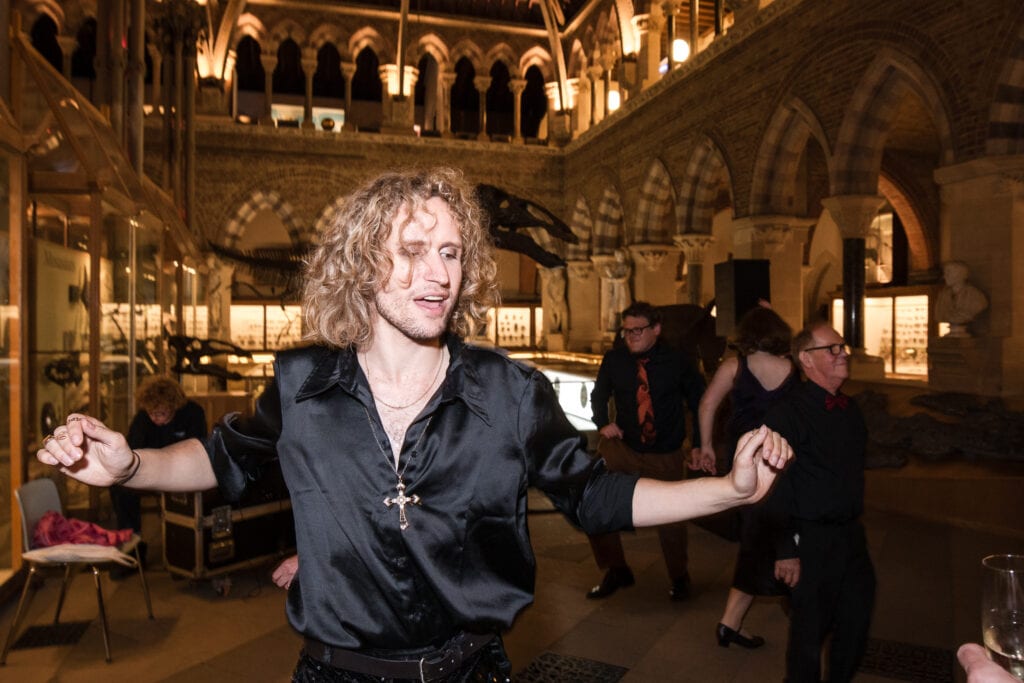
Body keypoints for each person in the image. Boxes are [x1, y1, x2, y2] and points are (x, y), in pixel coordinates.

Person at [37, 167, 793, 682]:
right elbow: (220, 460)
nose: (438, 273)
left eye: (452, 252)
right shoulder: (303, 383)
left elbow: (597, 494)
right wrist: (131, 465)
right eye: (410, 251)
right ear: (364, 263)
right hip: (335, 671)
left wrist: (728, 488)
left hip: (472, 667)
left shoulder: (507, 391)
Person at [764, 322, 876, 683]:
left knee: (855, 624)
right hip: (808, 540)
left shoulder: (850, 409)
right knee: (808, 638)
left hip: (850, 537)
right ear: (805, 360)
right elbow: (774, 486)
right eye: (832, 348)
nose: (843, 353)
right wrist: (785, 549)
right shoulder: (786, 414)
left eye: (842, 347)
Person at [585, 300, 706, 601]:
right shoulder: (615, 360)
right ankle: (616, 569)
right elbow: (599, 396)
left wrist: (701, 444)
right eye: (626, 331)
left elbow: (699, 401)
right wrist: (603, 423)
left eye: (638, 330)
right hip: (624, 448)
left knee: (671, 520)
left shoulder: (677, 360)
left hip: (664, 453)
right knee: (594, 501)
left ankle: (679, 577)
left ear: (656, 329)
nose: (631, 337)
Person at [694, 306, 797, 649]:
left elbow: (707, 404)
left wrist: (706, 446)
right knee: (775, 539)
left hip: (744, 463)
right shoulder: (793, 370)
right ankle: (800, 612)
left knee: (759, 539)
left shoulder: (734, 366)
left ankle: (731, 623)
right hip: (782, 464)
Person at [115, 375, 207, 565]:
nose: (155, 418)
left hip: (183, 474)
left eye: (160, 413)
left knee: (198, 494)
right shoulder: (143, 417)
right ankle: (132, 548)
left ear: (174, 406)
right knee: (119, 489)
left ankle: (188, 552)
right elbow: (133, 450)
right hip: (151, 473)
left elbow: (199, 450)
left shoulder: (193, 412)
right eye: (151, 413)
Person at [935, 260, 987, 336]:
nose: (945, 276)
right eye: (945, 273)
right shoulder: (942, 296)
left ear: (960, 275)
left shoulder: (975, 296)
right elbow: (939, 314)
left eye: (949, 272)